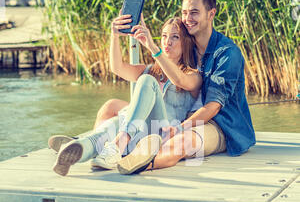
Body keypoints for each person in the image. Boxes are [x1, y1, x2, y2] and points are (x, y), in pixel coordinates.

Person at [117, 0, 256, 174]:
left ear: (211, 14)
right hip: (182, 115)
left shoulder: (227, 53)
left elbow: (213, 107)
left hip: (219, 124)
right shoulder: (187, 47)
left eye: (194, 13)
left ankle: (136, 164)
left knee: (183, 141)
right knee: (112, 109)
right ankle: (110, 152)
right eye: (184, 12)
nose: (188, 19)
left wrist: (179, 128)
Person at [51, 12, 202, 176]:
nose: (168, 42)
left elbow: (179, 79)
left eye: (175, 37)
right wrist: (114, 36)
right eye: (164, 36)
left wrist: (152, 47)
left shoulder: (193, 76)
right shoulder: (150, 69)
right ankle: (78, 150)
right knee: (108, 129)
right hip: (133, 131)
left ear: (186, 42)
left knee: (146, 81)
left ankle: (112, 145)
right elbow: (117, 68)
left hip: (157, 135)